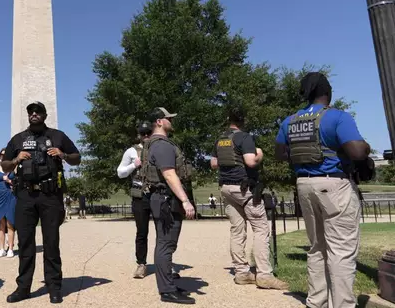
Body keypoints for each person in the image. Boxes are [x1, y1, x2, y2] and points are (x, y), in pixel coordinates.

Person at [275, 72, 370, 308]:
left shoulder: (290, 121)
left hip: (304, 185)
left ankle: (316, 301)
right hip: (334, 185)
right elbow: (358, 152)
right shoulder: (337, 117)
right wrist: (366, 146)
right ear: (327, 92)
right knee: (341, 250)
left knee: (317, 247)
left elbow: (280, 154)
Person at [0, 101, 81, 304]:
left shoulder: (57, 136)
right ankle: (23, 287)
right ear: (28, 116)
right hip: (25, 196)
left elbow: (77, 158)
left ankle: (54, 286)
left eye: (38, 112)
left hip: (50, 195)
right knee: (25, 243)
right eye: (31, 112)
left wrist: (62, 154)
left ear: (45, 115)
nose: (34, 114)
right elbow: (5, 164)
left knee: (51, 242)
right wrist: (17, 159)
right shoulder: (18, 139)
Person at [210, 107, 288, 290]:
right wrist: (259, 154)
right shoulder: (245, 138)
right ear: (243, 121)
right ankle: (264, 275)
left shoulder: (220, 140)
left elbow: (213, 164)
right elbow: (250, 161)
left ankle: (241, 273)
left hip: (226, 189)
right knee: (261, 229)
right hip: (244, 189)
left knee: (237, 231)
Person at [139, 107, 196, 304]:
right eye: (168, 118)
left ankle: (168, 284)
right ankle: (167, 290)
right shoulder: (162, 145)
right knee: (165, 243)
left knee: (167, 243)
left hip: (162, 198)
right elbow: (169, 174)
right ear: (159, 122)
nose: (171, 120)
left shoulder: (155, 144)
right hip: (166, 199)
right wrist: (185, 200)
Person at [117, 121, 154, 279]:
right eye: (143, 133)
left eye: (148, 133)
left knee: (163, 231)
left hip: (158, 194)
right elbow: (120, 172)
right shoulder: (131, 151)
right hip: (140, 196)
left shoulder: (158, 148)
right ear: (139, 135)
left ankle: (166, 263)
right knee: (142, 232)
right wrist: (134, 166)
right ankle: (141, 264)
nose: (146, 136)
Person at [0, 147, 17, 258]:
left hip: (11, 196)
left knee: (10, 223)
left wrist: (9, 181)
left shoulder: (14, 168)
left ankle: (10, 248)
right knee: (0, 224)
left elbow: (18, 184)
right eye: (1, 155)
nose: (3, 156)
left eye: (5, 155)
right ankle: (1, 248)